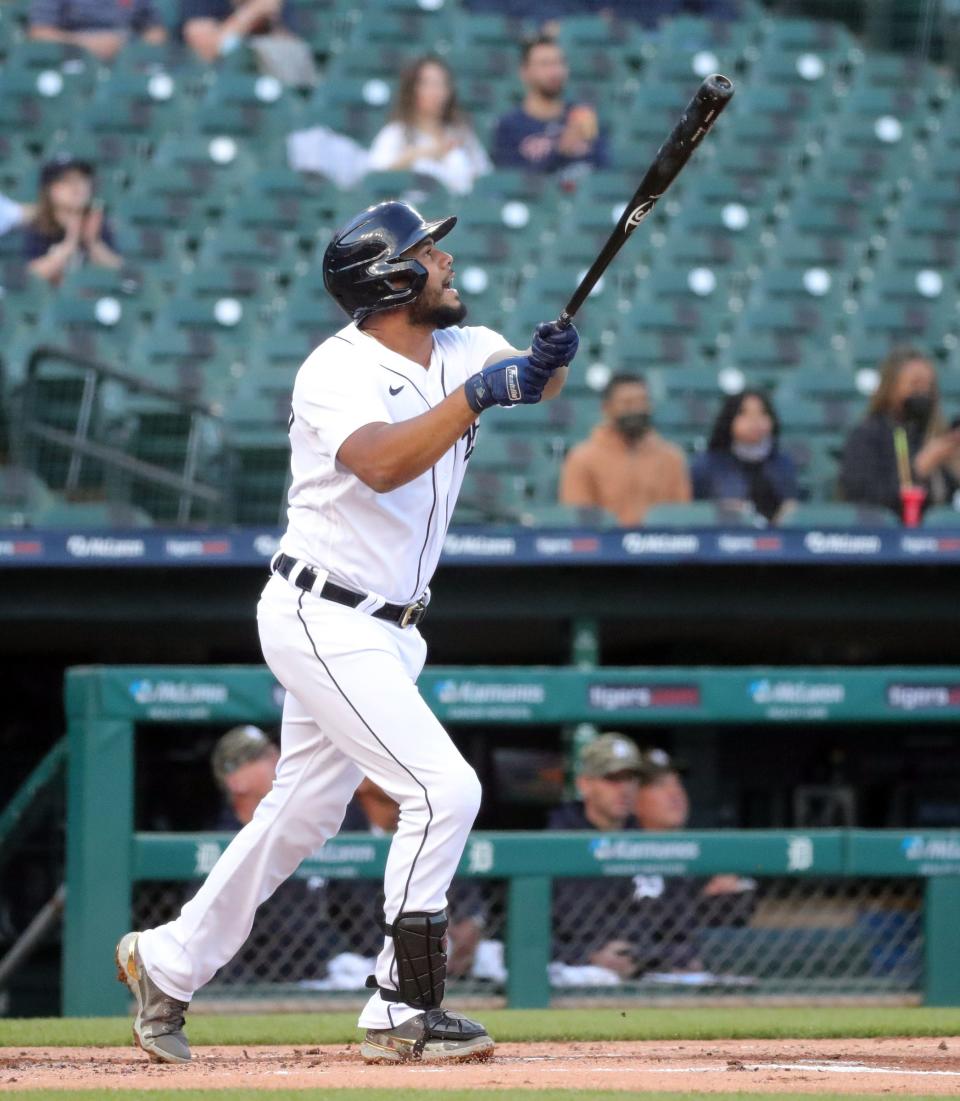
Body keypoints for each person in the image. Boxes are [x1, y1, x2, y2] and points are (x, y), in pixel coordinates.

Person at [115, 199, 579, 1065]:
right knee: (446, 789)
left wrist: (547, 364)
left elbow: (527, 379)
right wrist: (483, 394)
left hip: (393, 626)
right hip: (321, 609)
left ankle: (167, 959)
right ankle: (401, 1003)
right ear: (391, 278)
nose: (445, 262)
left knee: (300, 814)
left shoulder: (465, 345)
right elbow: (380, 461)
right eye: (428, 254)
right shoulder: (334, 369)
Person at [840, 347, 960, 518]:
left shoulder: (935, 436)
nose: (923, 392)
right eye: (915, 383)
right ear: (890, 387)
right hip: (883, 536)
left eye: (929, 386)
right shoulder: (867, 435)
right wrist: (920, 467)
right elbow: (862, 497)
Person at [558, 372, 691, 526]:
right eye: (627, 403)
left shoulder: (672, 457)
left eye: (642, 402)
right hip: (605, 545)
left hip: (661, 544)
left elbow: (681, 517)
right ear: (607, 408)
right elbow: (579, 519)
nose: (636, 410)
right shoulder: (582, 458)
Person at [368, 56, 492, 196]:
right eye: (427, 84)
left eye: (442, 84)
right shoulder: (395, 133)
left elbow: (485, 177)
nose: (436, 92)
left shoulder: (461, 134)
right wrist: (415, 155)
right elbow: (374, 179)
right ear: (411, 89)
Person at [492, 36, 609, 175]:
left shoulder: (582, 115)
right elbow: (513, 184)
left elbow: (604, 170)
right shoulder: (509, 126)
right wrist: (560, 150)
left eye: (560, 63)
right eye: (545, 64)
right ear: (524, 72)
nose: (555, 71)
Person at [691, 390, 798, 523]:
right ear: (729, 419)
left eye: (762, 413)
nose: (755, 421)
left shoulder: (783, 463)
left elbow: (791, 506)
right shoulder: (707, 464)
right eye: (744, 414)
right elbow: (694, 511)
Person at [24, 155, 122, 286]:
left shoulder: (97, 223)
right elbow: (29, 277)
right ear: (50, 189)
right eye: (67, 181)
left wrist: (93, 243)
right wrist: (69, 244)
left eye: (83, 179)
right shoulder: (37, 226)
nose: (77, 186)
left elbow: (119, 272)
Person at [29, 0, 166, 62]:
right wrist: (85, 45)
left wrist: (132, 52)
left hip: (125, 61)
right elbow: (39, 33)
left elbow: (156, 32)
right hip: (71, 60)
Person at [180, 0, 303, 66]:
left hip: (267, 89)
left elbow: (292, 60)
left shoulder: (276, 4)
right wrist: (251, 13)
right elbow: (206, 53)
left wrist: (269, 24)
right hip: (210, 88)